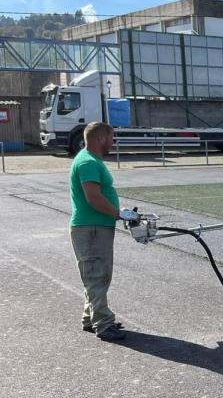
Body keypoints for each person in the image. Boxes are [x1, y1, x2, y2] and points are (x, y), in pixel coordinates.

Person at [69, 122, 138, 341]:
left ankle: (90, 318)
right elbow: (93, 197)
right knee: (97, 274)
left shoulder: (90, 160)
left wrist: (119, 211)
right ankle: (103, 324)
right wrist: (117, 213)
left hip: (95, 227)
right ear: (100, 138)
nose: (113, 141)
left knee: (95, 274)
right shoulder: (88, 162)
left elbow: (99, 195)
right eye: (111, 137)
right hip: (92, 229)